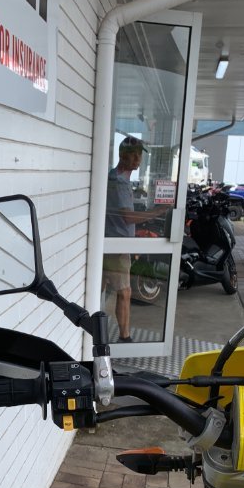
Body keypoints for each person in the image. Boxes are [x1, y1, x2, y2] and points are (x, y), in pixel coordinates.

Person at [103, 135, 163, 342]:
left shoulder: (115, 178)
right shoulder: (119, 183)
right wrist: (157, 212)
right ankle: (125, 337)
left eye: (139, 155)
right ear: (122, 156)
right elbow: (128, 217)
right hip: (117, 246)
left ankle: (97, 329)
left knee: (103, 288)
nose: (138, 159)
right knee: (125, 292)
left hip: (112, 242)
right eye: (133, 155)